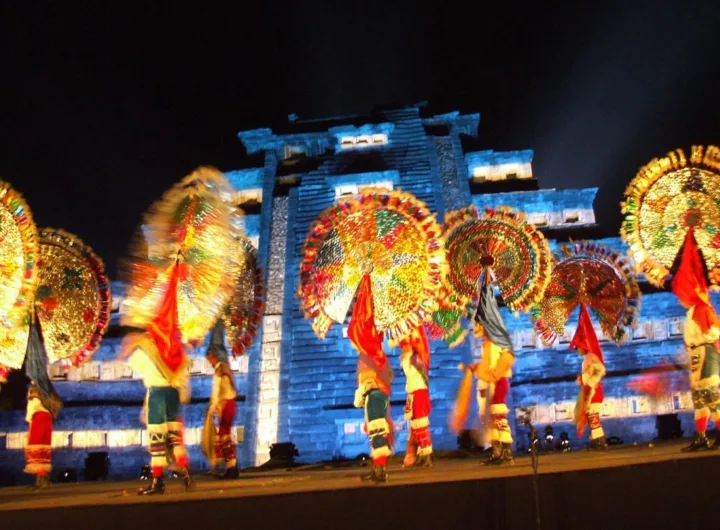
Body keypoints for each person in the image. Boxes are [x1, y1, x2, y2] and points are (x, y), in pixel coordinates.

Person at [123, 259, 194, 495]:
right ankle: (185, 473)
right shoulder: (177, 352)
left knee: (156, 440)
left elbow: (135, 364)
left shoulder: (148, 348)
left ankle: (157, 482)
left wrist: (133, 343)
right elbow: (185, 383)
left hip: (156, 394)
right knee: (174, 438)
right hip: (173, 394)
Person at [670, 229, 720, 452]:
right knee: (699, 397)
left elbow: (715, 332)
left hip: (706, 354)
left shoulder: (702, 308)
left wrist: (699, 344)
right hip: (697, 355)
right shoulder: (692, 311)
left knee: (710, 394)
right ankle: (701, 436)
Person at [350, 273, 394, 483]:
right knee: (375, 431)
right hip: (376, 394)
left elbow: (360, 327)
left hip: (375, 394)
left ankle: (381, 471)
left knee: (377, 432)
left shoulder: (370, 353)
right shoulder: (373, 353)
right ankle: (378, 470)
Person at [471, 272, 516, 465]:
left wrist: (490, 375)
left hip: (497, 383)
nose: (475, 330)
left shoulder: (495, 342)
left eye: (477, 326)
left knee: (497, 417)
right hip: (493, 383)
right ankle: (498, 451)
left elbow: (504, 361)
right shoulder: (488, 343)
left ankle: (506, 453)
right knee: (492, 419)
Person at [24, 319, 63, 490]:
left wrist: (32, 332)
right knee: (37, 447)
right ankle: (40, 480)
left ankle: (42, 479)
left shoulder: (41, 385)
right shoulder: (37, 386)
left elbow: (36, 362)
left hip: (41, 417)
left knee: (39, 447)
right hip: (39, 417)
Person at [570, 304, 608, 449]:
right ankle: (596, 439)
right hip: (591, 390)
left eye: (578, 346)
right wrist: (583, 379)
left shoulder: (591, 356)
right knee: (592, 415)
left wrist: (589, 382)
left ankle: (599, 441)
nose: (577, 350)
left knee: (593, 415)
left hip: (594, 391)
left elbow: (600, 370)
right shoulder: (588, 358)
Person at [205, 320, 239, 478]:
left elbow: (220, 391)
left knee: (224, 436)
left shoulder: (221, 371)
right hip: (227, 404)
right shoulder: (222, 370)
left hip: (227, 404)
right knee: (221, 436)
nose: (208, 360)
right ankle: (220, 465)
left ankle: (230, 466)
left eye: (209, 358)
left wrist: (216, 406)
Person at [399, 326, 433, 468]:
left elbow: (420, 342)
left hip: (419, 393)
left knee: (421, 426)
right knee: (415, 427)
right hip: (413, 393)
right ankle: (419, 454)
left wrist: (413, 335)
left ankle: (426, 456)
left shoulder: (419, 357)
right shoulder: (408, 357)